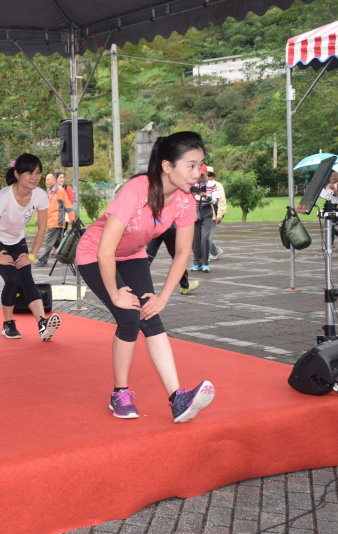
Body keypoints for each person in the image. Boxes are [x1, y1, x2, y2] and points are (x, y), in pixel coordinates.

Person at [75, 131, 215, 423]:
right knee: (128, 318)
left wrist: (163, 297)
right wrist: (115, 293)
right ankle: (120, 393)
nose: (197, 173)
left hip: (133, 255)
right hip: (95, 254)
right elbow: (105, 251)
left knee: (150, 316)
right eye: (190, 165)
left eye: (200, 165)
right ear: (167, 166)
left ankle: (178, 398)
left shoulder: (185, 201)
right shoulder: (136, 190)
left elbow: (182, 254)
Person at [0, 153, 61, 341]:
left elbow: (42, 228)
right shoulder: (4, 196)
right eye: (29, 173)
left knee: (26, 279)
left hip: (17, 240)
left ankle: (42, 324)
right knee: (13, 280)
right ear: (17, 174)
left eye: (38, 173)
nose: (34, 177)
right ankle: (8, 324)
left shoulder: (40, 195)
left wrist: (32, 256)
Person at [146, 222, 199, 295]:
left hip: (155, 227)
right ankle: (185, 286)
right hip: (168, 227)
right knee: (178, 258)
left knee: (148, 256)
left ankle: (136, 283)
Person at [36, 172, 73, 266]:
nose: (47, 181)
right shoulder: (48, 191)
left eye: (49, 179)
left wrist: (72, 219)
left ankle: (42, 260)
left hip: (56, 221)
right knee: (59, 243)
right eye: (46, 180)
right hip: (51, 220)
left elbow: (67, 205)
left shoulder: (60, 191)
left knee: (49, 241)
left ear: (54, 180)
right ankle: (71, 257)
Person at [190, 165, 218, 272]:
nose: (200, 177)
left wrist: (206, 196)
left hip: (207, 211)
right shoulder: (192, 183)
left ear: (206, 174)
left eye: (202, 174)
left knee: (205, 238)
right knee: (195, 239)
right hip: (195, 211)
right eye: (198, 174)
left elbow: (215, 200)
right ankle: (197, 262)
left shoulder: (212, 184)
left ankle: (205, 263)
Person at [321, 170, 338, 247]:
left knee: (331, 225)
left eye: (335, 175)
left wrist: (334, 189)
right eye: (332, 175)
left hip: (337, 206)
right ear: (329, 177)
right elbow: (328, 197)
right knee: (330, 225)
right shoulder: (328, 185)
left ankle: (331, 243)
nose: (333, 177)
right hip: (328, 206)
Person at [206, 168, 226, 260]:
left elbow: (221, 201)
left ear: (213, 176)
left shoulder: (217, 185)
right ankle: (215, 251)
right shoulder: (199, 184)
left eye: (209, 175)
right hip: (200, 214)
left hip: (212, 213)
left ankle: (213, 252)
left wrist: (220, 215)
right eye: (205, 174)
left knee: (208, 236)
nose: (207, 177)